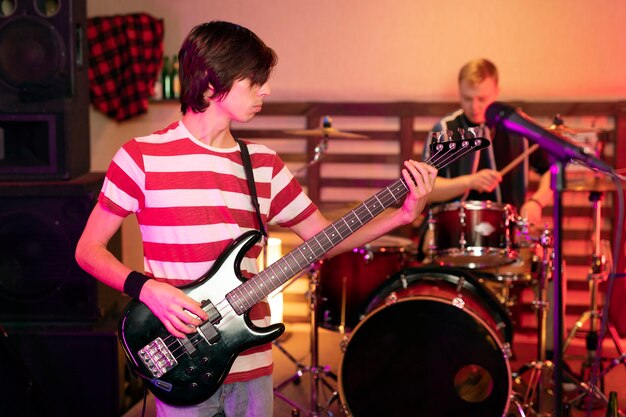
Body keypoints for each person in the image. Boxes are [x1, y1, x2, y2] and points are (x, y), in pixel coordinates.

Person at [75, 20, 437, 417]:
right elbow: (88, 250)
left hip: (251, 360)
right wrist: (147, 290)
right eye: (255, 81)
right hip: (179, 359)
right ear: (212, 85)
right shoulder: (141, 156)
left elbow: (322, 238)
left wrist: (402, 216)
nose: (267, 90)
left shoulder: (263, 164)